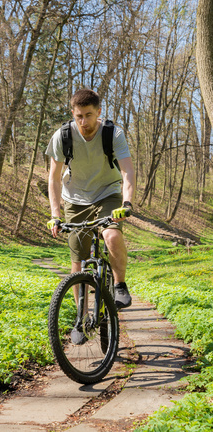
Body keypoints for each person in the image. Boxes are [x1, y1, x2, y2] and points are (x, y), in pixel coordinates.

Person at [46, 88, 136, 312]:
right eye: (79, 116)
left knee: (112, 235)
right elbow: (54, 178)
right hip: (75, 198)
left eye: (88, 115)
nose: (83, 121)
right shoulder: (62, 136)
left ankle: (120, 284)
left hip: (107, 192)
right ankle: (81, 315)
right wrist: (55, 215)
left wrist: (127, 203)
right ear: (73, 114)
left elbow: (127, 172)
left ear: (98, 112)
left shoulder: (113, 134)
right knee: (78, 259)